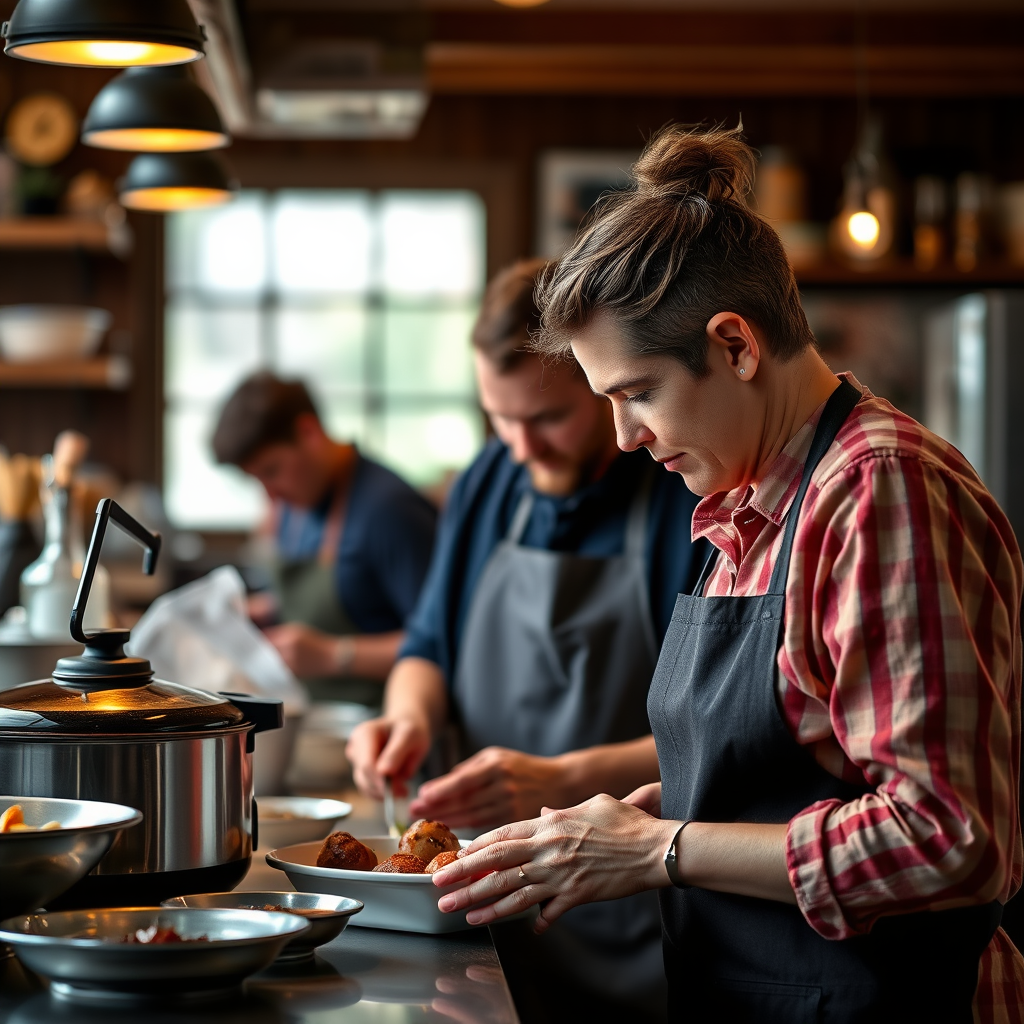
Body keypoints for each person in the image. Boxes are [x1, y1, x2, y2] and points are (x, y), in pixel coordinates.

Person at [432, 126, 1024, 1024]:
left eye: (636, 393)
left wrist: (662, 848)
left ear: (736, 346)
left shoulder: (880, 491)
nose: (626, 436)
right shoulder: (746, 502)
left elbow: (949, 838)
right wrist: (634, 816)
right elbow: (812, 762)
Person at [347, 258, 708, 1022]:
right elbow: (427, 646)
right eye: (497, 418)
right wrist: (408, 717)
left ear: (604, 387)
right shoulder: (489, 481)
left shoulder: (680, 491)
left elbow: (713, 734)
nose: (519, 446)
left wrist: (563, 778)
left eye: (545, 420)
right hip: (476, 894)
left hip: (629, 902)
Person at [212, 372, 437, 706]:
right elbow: (352, 596)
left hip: (382, 729)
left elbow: (441, 644)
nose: (270, 496)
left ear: (308, 432)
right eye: (256, 480)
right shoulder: (295, 503)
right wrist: (264, 612)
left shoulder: (390, 512)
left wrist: (333, 655)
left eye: (272, 470)